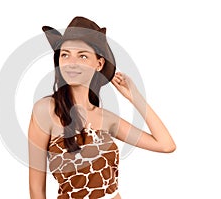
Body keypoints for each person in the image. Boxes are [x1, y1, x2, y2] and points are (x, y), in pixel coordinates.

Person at [28, 16, 176, 199]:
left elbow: (165, 145)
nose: (71, 62)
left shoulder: (106, 118)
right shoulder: (45, 111)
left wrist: (134, 97)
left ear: (99, 64)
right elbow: (36, 190)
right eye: (65, 54)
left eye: (82, 55)